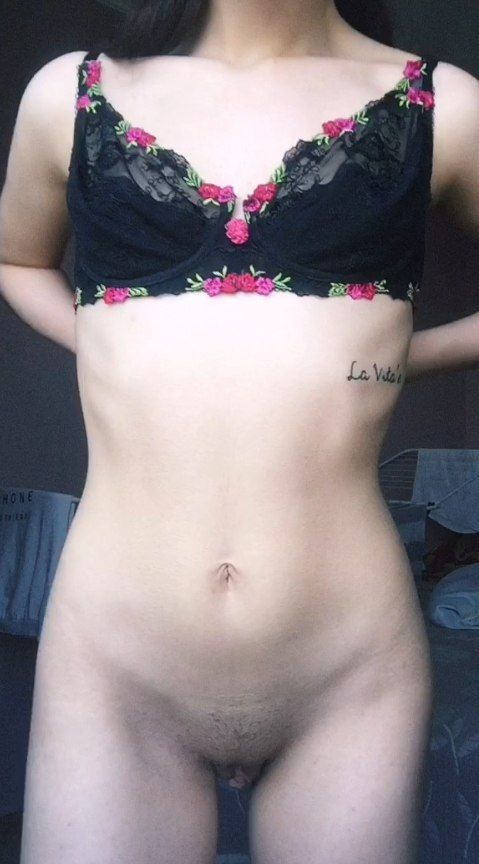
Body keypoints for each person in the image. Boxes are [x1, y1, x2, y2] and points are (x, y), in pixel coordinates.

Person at [0, 1, 478, 862]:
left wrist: (397, 358)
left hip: (347, 669)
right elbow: (16, 258)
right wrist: (104, 343)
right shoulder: (71, 94)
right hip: (116, 665)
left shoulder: (440, 105)